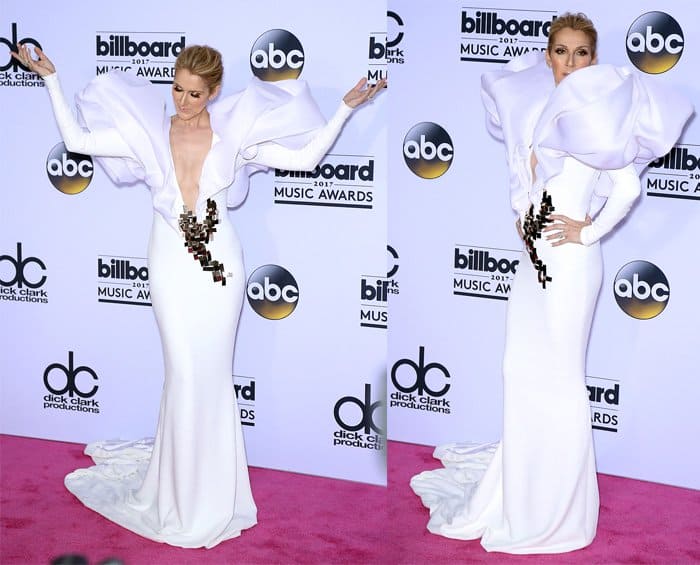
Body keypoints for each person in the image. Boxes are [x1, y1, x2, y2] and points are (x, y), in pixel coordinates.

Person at [14, 42, 385, 549]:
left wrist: (347, 106)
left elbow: (305, 158)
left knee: (211, 375)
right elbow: (78, 142)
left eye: (194, 94)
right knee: (183, 373)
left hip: (222, 267)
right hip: (168, 260)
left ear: (213, 93)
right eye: (176, 89)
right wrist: (50, 78)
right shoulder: (147, 133)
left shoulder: (235, 136)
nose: (183, 101)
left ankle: (213, 495)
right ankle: (177, 494)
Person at [410, 13, 692, 554]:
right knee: (517, 369)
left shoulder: (603, 114)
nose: (569, 62)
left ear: (593, 56)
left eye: (580, 53)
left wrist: (588, 233)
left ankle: (557, 506)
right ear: (548, 56)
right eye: (560, 51)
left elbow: (627, 187)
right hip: (530, 261)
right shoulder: (530, 108)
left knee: (561, 380)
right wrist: (524, 217)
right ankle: (521, 487)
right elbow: (527, 182)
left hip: (571, 267)